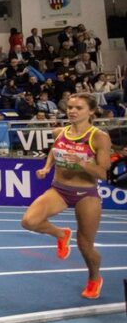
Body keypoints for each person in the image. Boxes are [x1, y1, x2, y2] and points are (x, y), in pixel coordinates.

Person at [21, 94, 112, 299]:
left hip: (86, 193)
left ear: (91, 111)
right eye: (70, 107)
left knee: (85, 246)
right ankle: (62, 234)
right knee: (28, 221)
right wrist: (46, 167)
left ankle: (94, 278)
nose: (72, 111)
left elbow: (104, 173)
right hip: (59, 189)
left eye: (78, 108)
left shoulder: (99, 137)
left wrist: (83, 164)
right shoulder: (59, 131)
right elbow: (54, 151)